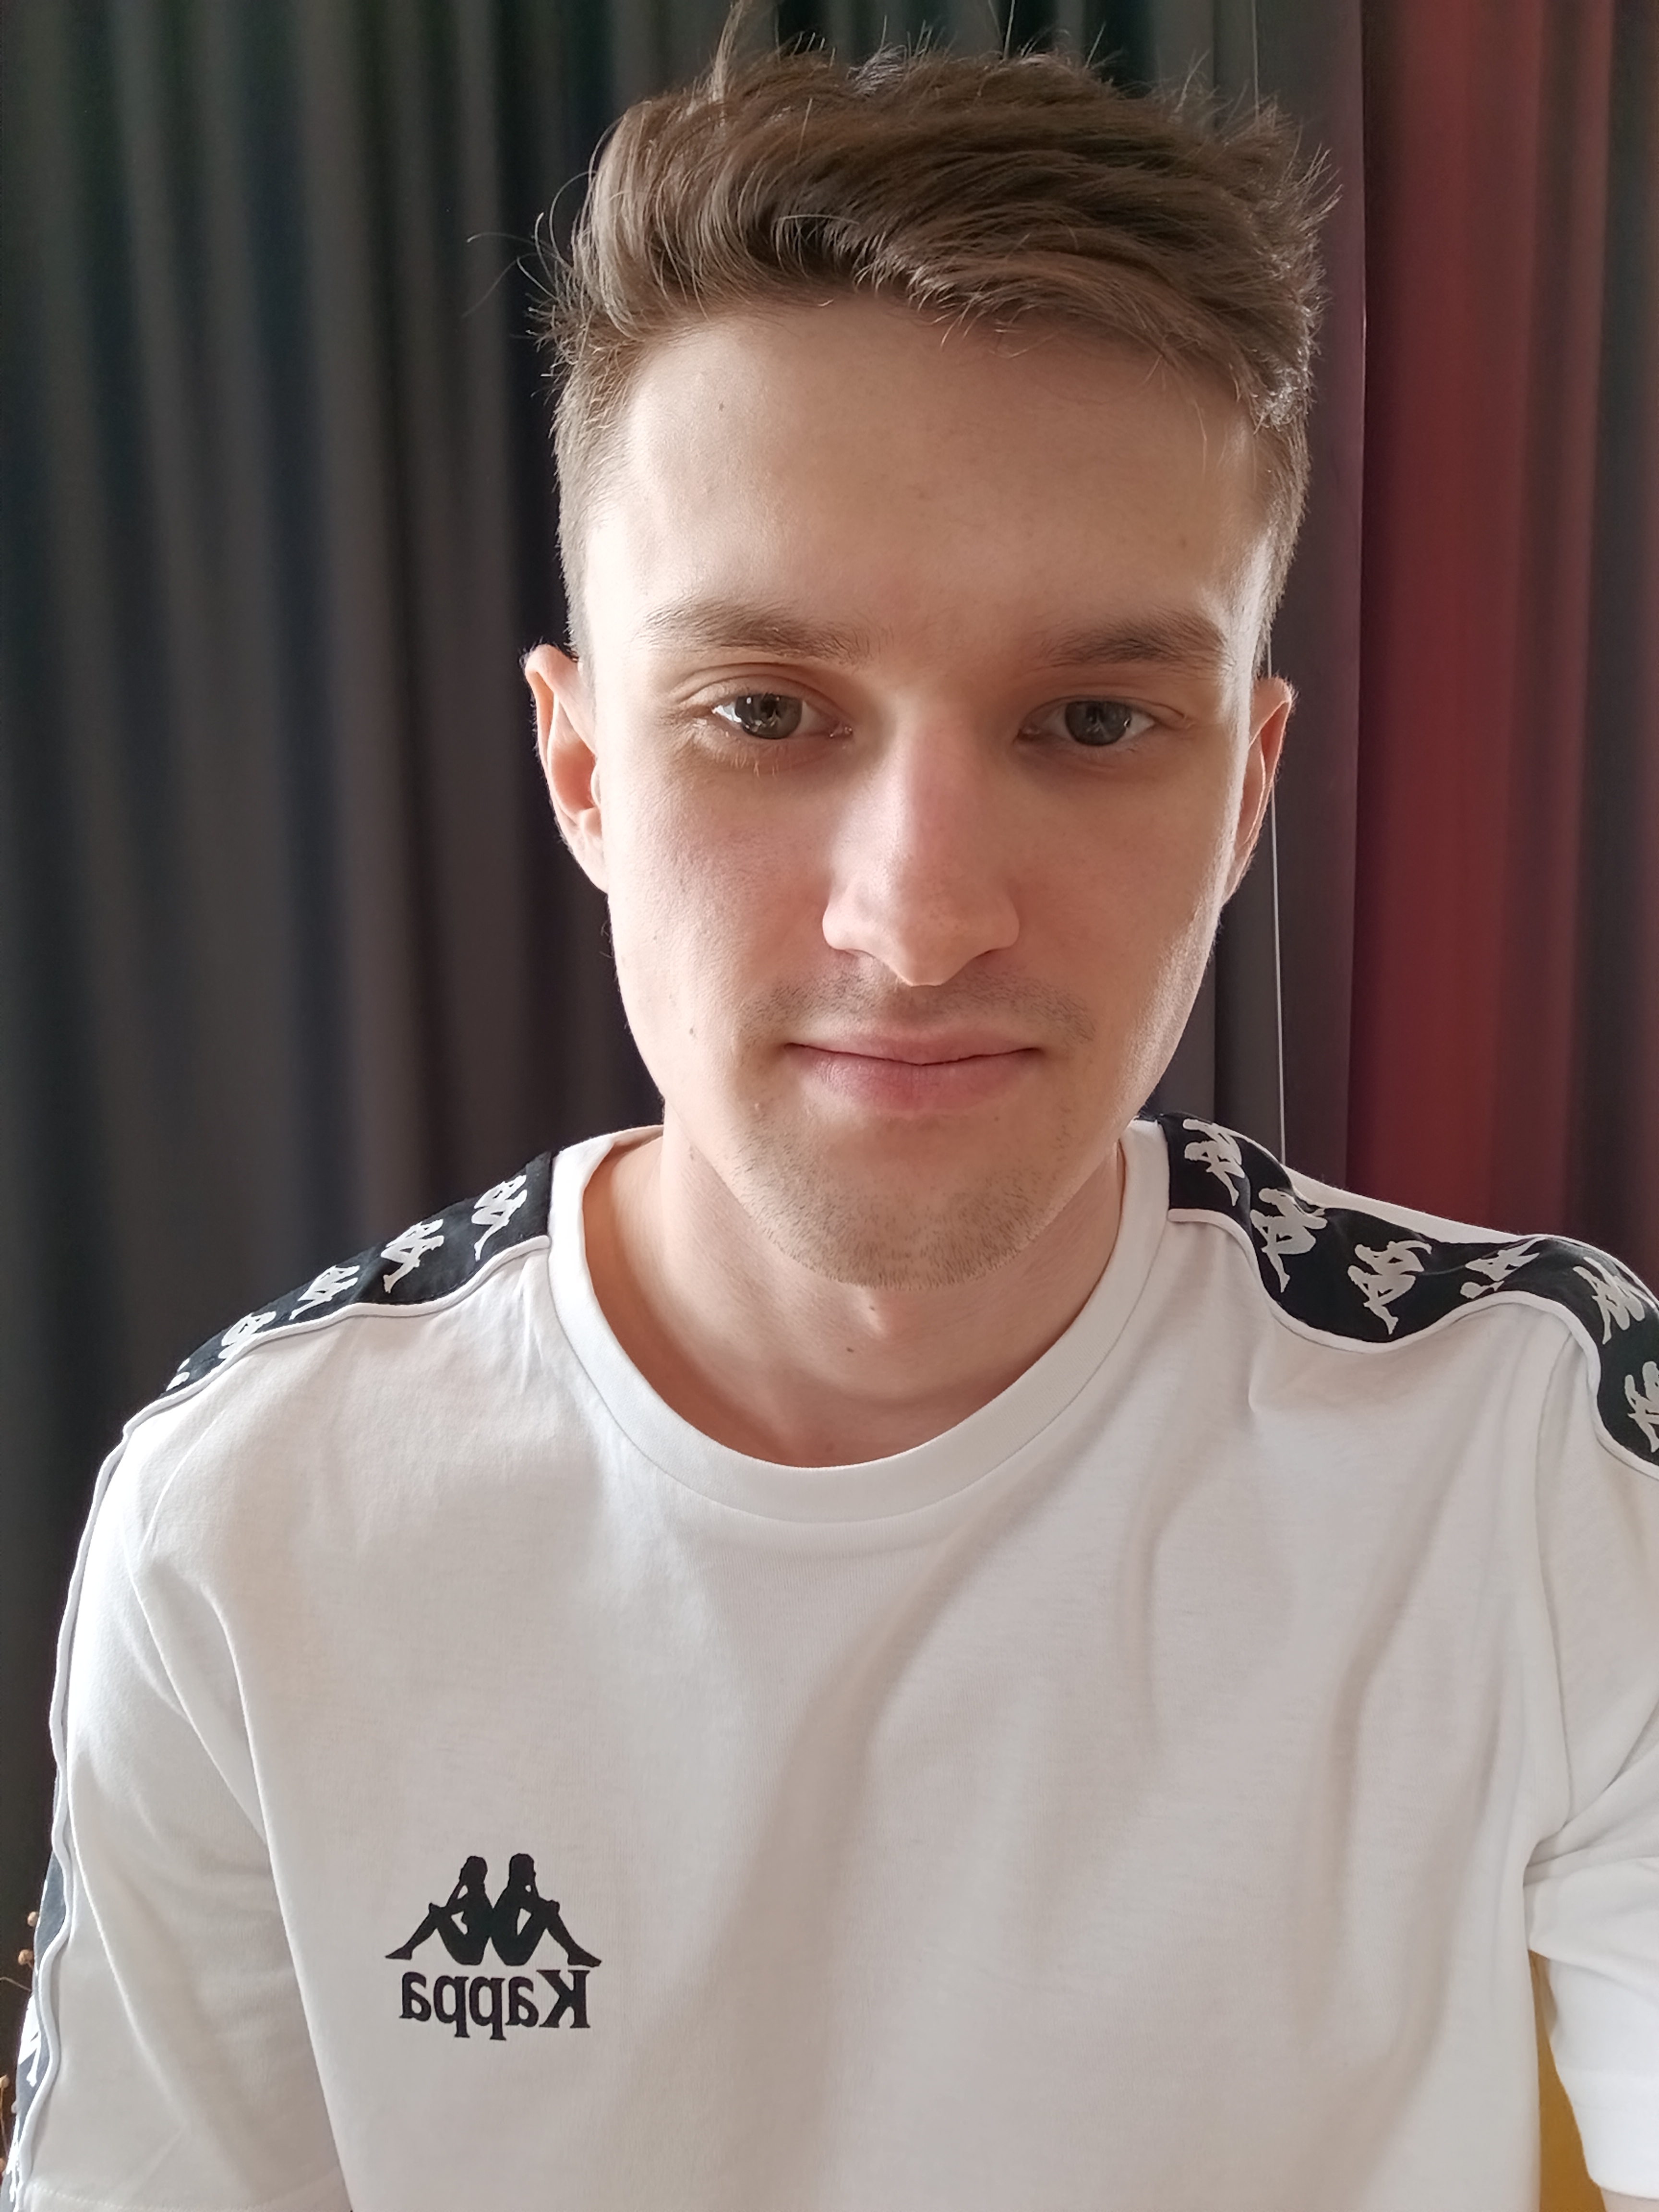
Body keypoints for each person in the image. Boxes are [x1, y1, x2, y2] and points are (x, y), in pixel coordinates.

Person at [8, 27, 1659, 2212]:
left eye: (1094, 721)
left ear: (1248, 789)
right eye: (765, 710)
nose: (923, 915)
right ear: (586, 772)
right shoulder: (248, 1526)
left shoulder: (1538, 1451)